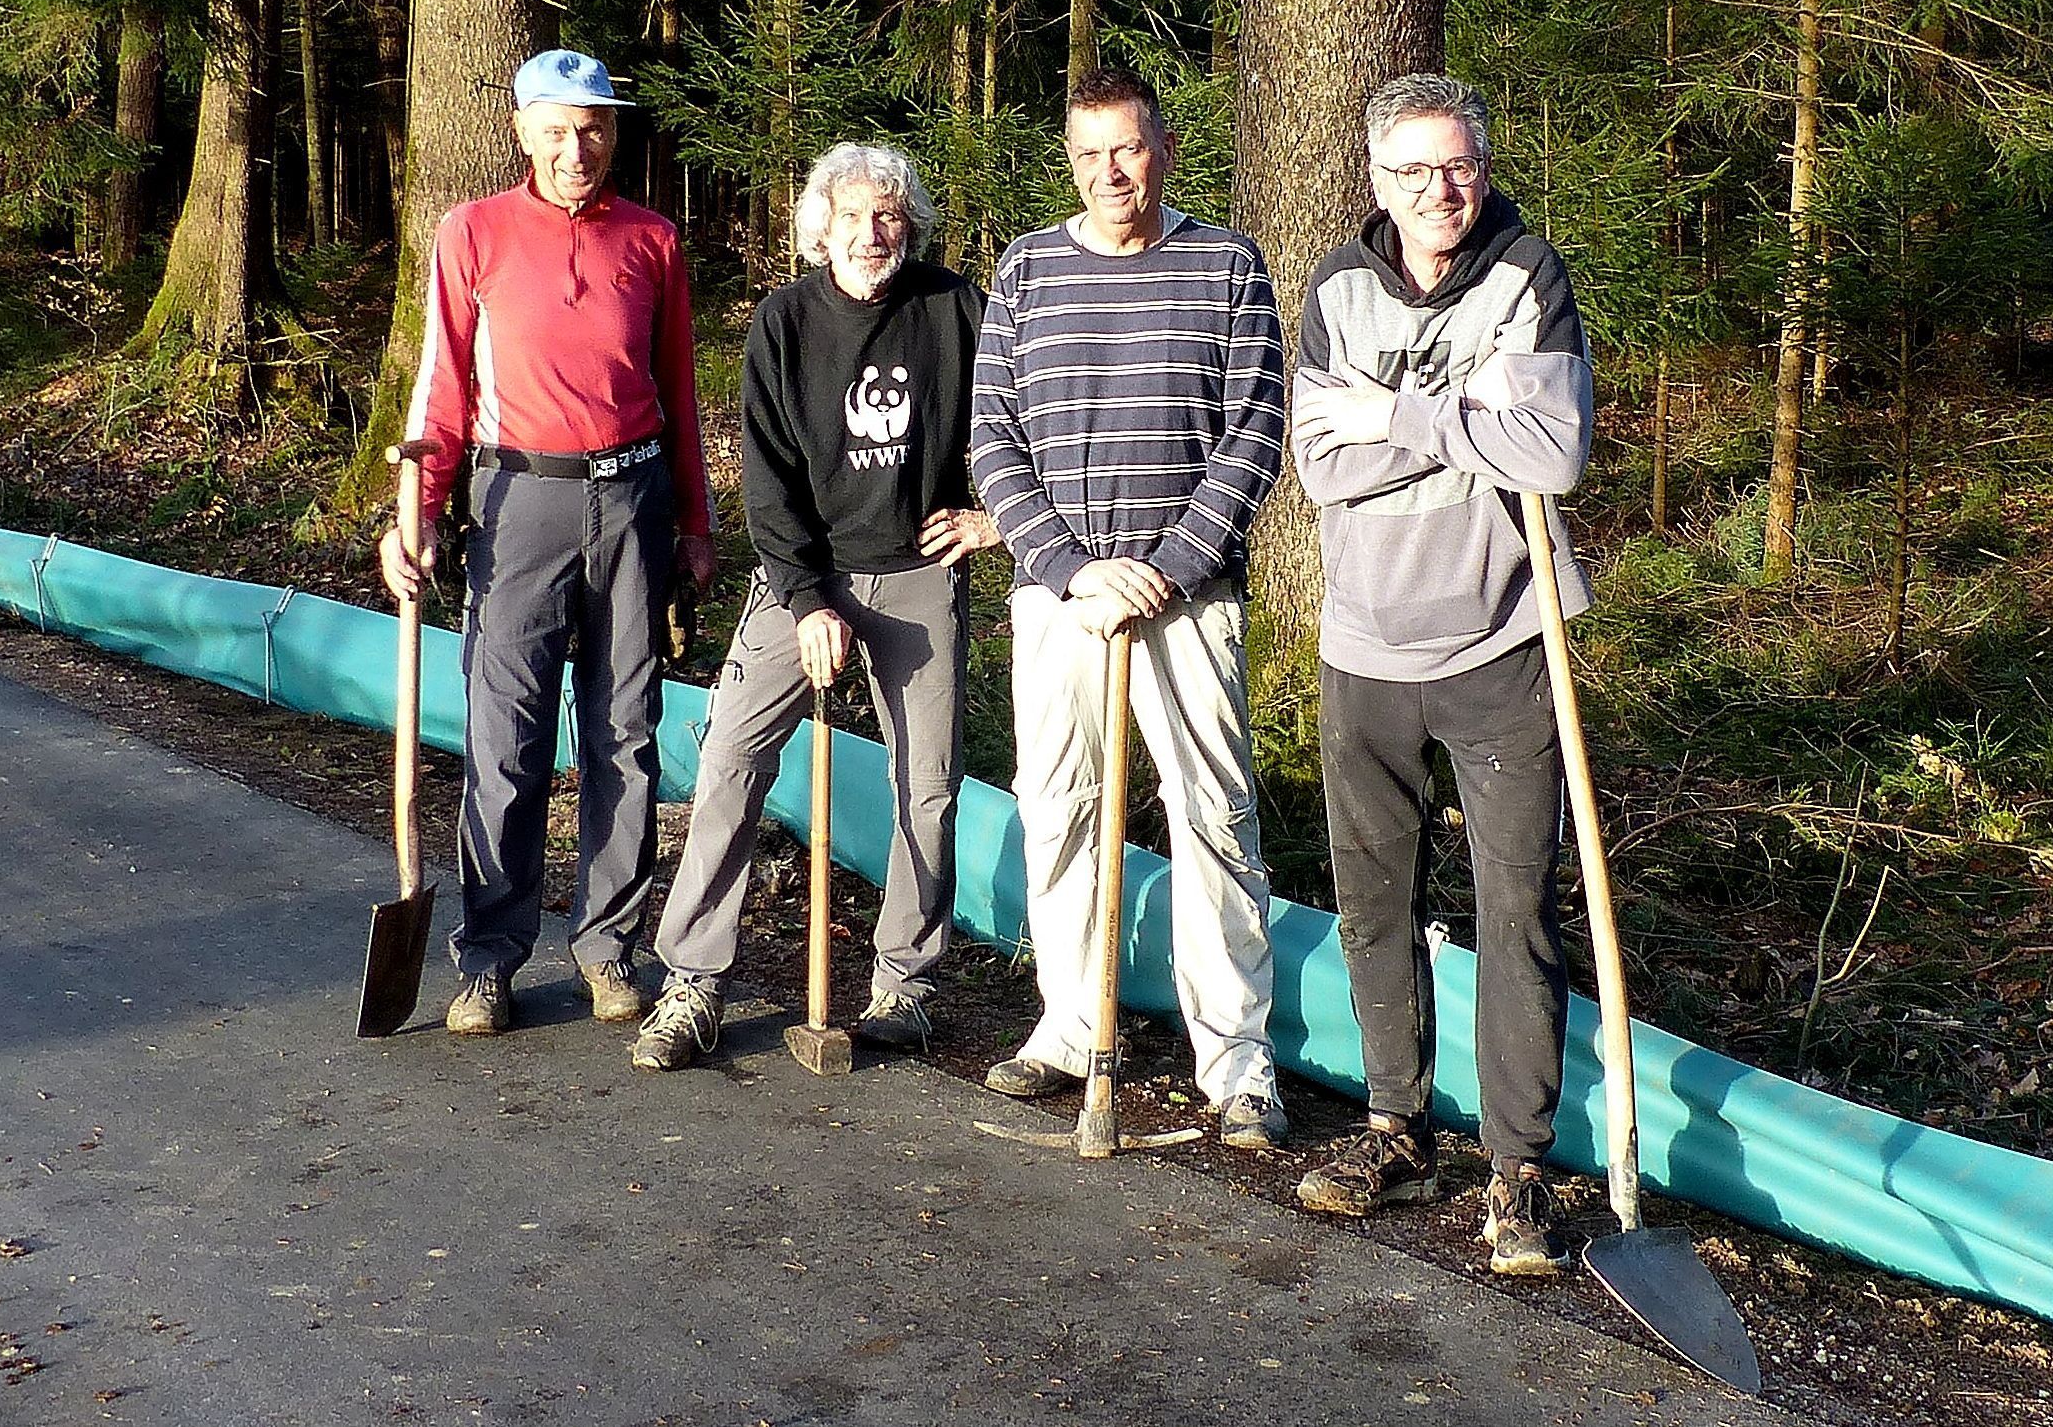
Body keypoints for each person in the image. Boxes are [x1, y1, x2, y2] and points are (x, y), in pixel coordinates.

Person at [1286, 72, 1592, 1272]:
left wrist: (1396, 413)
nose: (1438, 191)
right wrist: (1470, 414)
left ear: (1484, 164)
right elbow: (1321, 467)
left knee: (1516, 910)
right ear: (1376, 179)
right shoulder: (1336, 288)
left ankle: (1519, 1169)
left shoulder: (1526, 274)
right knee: (1375, 904)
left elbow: (1551, 453)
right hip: (1365, 645)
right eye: (1412, 171)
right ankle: (1396, 1132)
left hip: (1504, 642)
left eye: (1457, 165)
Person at [968, 67, 1290, 1149]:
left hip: (1187, 601)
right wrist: (1071, 569)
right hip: (1062, 601)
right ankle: (1071, 1026)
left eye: (1128, 147)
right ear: (1071, 163)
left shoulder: (1227, 265)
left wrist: (1170, 565)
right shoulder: (1026, 270)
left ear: (1163, 148)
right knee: (1057, 808)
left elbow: (1256, 427)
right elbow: (993, 438)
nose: (1111, 171)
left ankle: (1236, 1064)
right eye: (1089, 153)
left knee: (1213, 819)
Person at [631, 143, 997, 1071]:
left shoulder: (954, 307)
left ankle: (904, 987)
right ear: (819, 231)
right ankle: (692, 984)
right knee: (730, 759)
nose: (871, 234)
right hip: (805, 578)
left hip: (919, 573)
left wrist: (997, 518)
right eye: (851, 218)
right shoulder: (784, 321)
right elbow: (766, 480)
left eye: (887, 215)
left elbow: (1014, 420)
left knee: (928, 784)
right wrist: (804, 601)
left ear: (909, 224)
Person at [378, 48, 716, 1037]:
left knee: (626, 734)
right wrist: (418, 514)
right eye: (559, 129)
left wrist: (695, 522)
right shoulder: (473, 231)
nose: (578, 148)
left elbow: (679, 390)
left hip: (632, 499)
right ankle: (489, 957)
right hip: (518, 501)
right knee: (506, 736)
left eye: (595, 127)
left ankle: (608, 948)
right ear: (524, 131)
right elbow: (442, 388)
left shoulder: (651, 239)